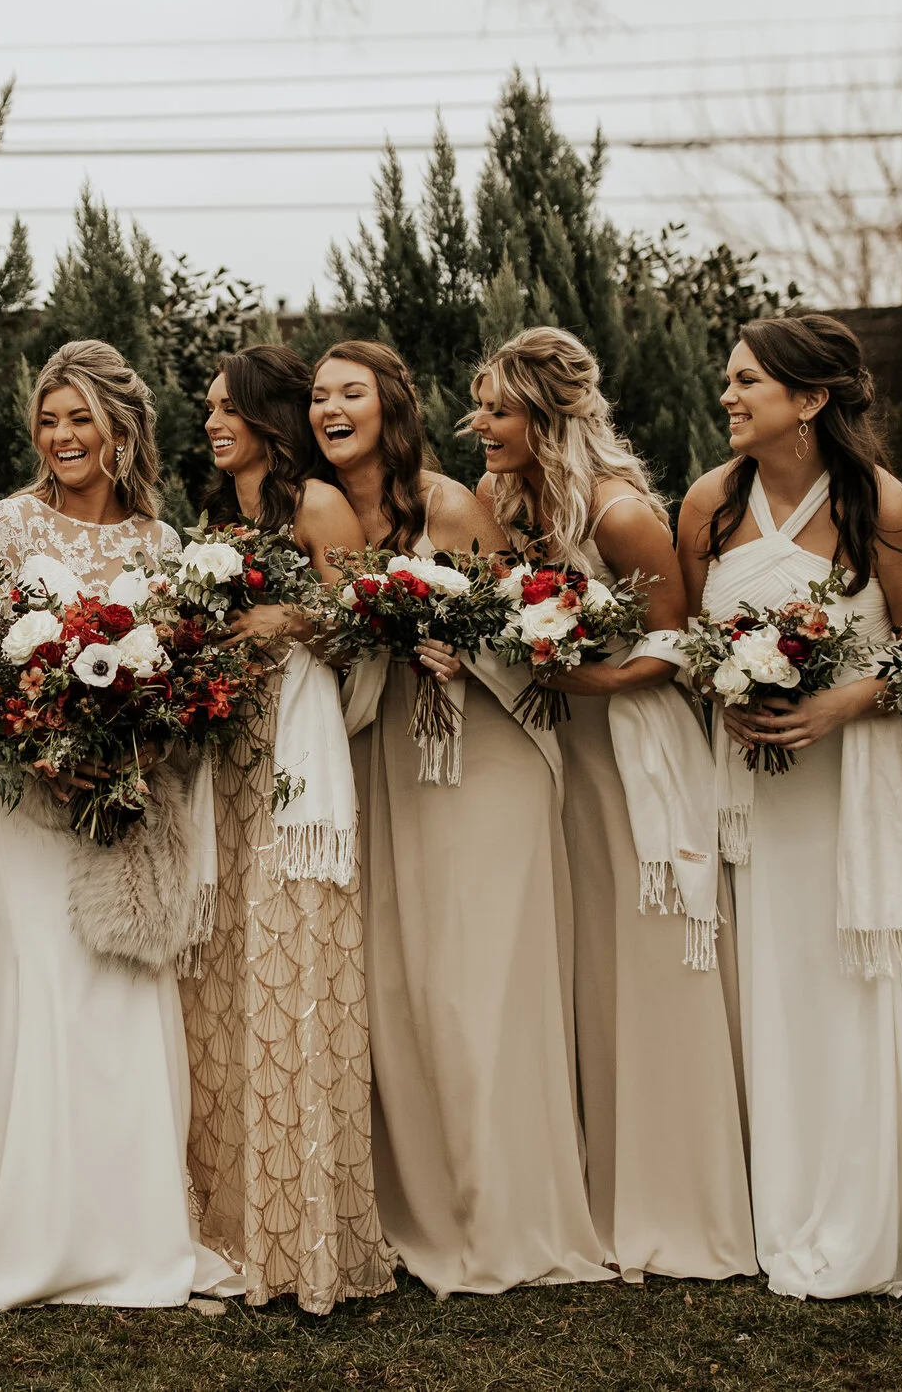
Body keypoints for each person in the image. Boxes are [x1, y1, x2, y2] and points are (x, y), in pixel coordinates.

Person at [677, 313, 902, 1301]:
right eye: (727, 381)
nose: (727, 396)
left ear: (808, 400)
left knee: (856, 986)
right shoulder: (707, 506)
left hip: (856, 786)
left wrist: (842, 699)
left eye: (747, 382)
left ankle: (871, 1209)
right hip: (762, 800)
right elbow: (693, 638)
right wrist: (727, 688)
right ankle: (789, 1203)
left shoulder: (880, 507)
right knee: (776, 984)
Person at [312, 339, 611, 1297]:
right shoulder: (315, 512)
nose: (331, 408)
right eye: (319, 396)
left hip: (484, 756)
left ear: (391, 404)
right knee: (407, 983)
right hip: (390, 757)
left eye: (351, 391)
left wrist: (454, 642)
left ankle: (507, 1219)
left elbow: (519, 631)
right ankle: (428, 1211)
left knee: (480, 983)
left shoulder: (448, 502)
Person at [0, 339, 238, 1310]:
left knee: (118, 999)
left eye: (81, 418)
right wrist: (37, 744)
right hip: (18, 796)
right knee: (38, 990)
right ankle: (34, 1235)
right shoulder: (5, 522)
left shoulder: (162, 544)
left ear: (123, 428)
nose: (63, 435)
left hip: (122, 797)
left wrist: (130, 756)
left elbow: (183, 686)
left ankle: (133, 1232)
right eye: (49, 417)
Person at [471, 326, 755, 1284]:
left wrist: (576, 679)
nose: (480, 424)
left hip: (631, 747)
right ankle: (592, 1189)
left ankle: (680, 1199)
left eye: (498, 409)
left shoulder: (622, 512)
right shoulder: (500, 500)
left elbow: (678, 649)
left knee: (648, 959)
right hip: (554, 753)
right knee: (585, 963)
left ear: (547, 415)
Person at [179, 344, 394, 1313]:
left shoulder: (315, 504)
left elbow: (365, 622)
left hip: (295, 758)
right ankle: (229, 1218)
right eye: (208, 409)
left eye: (227, 407)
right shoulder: (217, 516)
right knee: (227, 976)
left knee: (293, 964)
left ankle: (303, 1232)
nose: (213, 421)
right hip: (227, 757)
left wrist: (290, 619)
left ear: (266, 415)